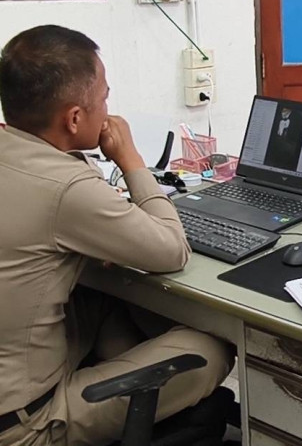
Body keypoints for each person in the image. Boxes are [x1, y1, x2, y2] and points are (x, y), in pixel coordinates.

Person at [0, 25, 233, 446]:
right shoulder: (67, 187)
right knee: (210, 348)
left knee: (105, 303)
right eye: (104, 98)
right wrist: (131, 160)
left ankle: (128, 384)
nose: (108, 109)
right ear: (74, 118)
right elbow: (172, 250)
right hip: (25, 423)